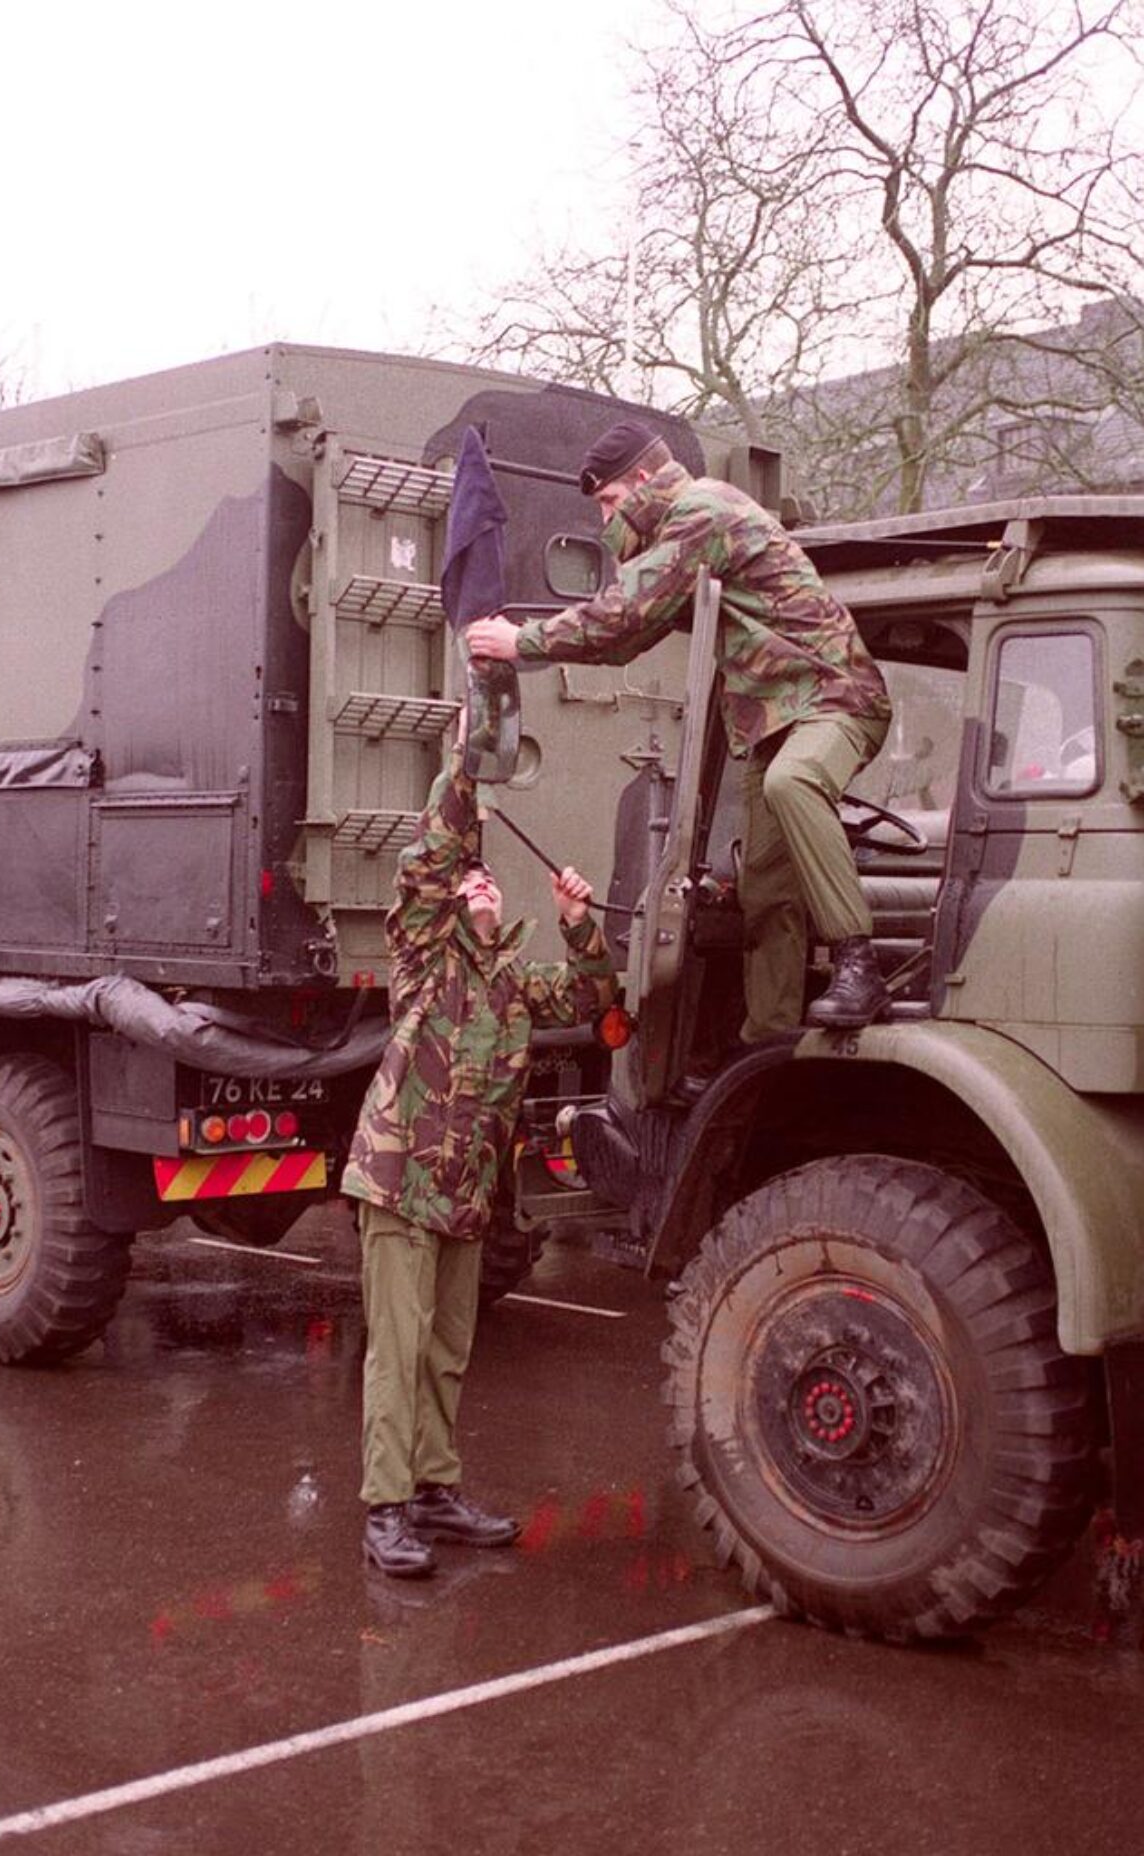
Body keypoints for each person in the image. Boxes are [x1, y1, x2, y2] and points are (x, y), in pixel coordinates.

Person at [465, 420, 893, 1036]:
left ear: (642, 480)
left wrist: (522, 639)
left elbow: (623, 612)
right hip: (773, 722)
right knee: (768, 893)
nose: (608, 520)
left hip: (835, 698)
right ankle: (768, 1040)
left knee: (792, 784)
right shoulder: (683, 529)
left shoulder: (702, 511)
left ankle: (859, 961)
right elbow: (627, 638)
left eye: (610, 502)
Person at [341, 718, 617, 1578]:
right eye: (470, 880)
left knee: (447, 1349)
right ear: (452, 905)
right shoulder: (426, 957)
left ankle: (432, 1489)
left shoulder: (511, 981)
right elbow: (433, 854)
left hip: (464, 1195)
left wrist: (578, 922)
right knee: (400, 1345)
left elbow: (596, 999)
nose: (482, 883)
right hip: (397, 1184)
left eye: (488, 878)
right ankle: (386, 1509)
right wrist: (470, 763)